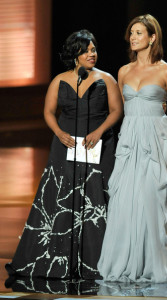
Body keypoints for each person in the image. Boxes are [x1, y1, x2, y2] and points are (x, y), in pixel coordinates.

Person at [5, 29, 123, 280]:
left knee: (95, 199)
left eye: (94, 49)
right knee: (60, 198)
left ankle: (95, 260)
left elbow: (116, 111)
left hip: (97, 146)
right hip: (66, 145)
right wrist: (59, 133)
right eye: (87, 50)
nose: (93, 54)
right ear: (76, 54)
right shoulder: (60, 81)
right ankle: (59, 258)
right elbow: (48, 112)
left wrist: (100, 131)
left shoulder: (107, 79)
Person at [98, 14, 167, 283]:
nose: (133, 37)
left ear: (152, 37)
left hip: (157, 140)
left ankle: (153, 263)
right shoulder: (123, 71)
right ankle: (125, 261)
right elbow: (121, 108)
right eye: (131, 33)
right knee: (125, 201)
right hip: (130, 141)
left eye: (139, 33)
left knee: (153, 201)